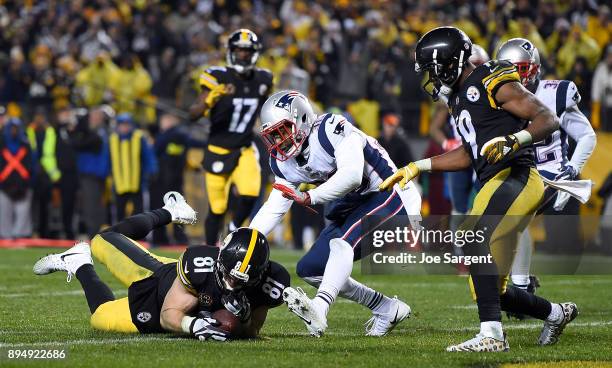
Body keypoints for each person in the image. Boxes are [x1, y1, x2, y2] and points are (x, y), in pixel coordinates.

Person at [380, 27, 577, 352]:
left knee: (472, 238)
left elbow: (546, 117)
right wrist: (418, 166)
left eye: (431, 70)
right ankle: (555, 314)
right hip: (495, 181)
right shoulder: (459, 98)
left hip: (518, 175)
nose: (430, 79)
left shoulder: (489, 78)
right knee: (491, 287)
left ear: (447, 64)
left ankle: (492, 335)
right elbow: (469, 154)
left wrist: (516, 139)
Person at [250, 90, 422, 337]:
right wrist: (246, 238)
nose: (280, 141)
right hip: (357, 204)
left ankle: (319, 308)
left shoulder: (330, 128)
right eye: (273, 135)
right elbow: (275, 206)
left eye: (283, 131)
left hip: (394, 195)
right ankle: (386, 307)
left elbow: (352, 176)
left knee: (341, 244)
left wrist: (311, 197)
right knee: (311, 268)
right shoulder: (283, 161)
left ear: (301, 120)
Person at [33, 192, 290, 340]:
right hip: (158, 284)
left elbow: (253, 330)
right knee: (101, 240)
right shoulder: (198, 264)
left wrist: (243, 321)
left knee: (100, 316)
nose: (233, 284)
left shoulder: (269, 282)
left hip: (160, 307)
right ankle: (169, 212)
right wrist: (192, 326)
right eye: (230, 276)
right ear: (220, 256)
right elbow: (170, 314)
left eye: (241, 280)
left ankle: (79, 263)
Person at [497, 38, 596, 313]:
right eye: (510, 69)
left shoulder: (555, 93)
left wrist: (573, 169)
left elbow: (586, 136)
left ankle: (520, 284)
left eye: (522, 68)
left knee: (514, 219)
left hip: (551, 173)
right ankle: (520, 281)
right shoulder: (498, 97)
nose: (517, 75)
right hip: (520, 172)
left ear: (535, 67)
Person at [188, 29, 273, 245]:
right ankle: (208, 252)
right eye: (239, 50)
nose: (243, 55)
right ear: (230, 52)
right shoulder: (216, 77)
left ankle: (234, 228)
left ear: (254, 53)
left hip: (244, 147)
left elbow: (266, 111)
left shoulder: (263, 79)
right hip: (218, 148)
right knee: (217, 208)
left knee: (251, 194)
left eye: (247, 51)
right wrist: (210, 99)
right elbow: (193, 114)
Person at [109, 113, 157, 221]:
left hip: (137, 183)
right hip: (119, 184)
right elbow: (107, 159)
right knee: (119, 212)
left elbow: (148, 156)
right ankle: (118, 235)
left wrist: (152, 170)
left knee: (139, 212)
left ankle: (139, 236)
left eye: (127, 124)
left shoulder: (139, 138)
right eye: (122, 125)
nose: (124, 127)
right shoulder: (112, 139)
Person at [0, 118, 33, 238]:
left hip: (22, 185)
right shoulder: (1, 143)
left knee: (23, 212)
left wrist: (25, 184)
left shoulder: (25, 144)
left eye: (16, 129)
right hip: (4, 185)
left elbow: (30, 165)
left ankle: (20, 237)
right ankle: (5, 237)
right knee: (4, 213)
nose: (14, 131)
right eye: (12, 128)